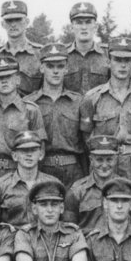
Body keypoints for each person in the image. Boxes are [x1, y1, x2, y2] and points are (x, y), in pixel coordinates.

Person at [82, 39, 131, 184]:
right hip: (102, 160)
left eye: (127, 60)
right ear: (108, 62)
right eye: (117, 59)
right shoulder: (92, 97)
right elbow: (86, 136)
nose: (123, 65)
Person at [28, 44, 86, 187]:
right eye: (50, 66)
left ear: (66, 69)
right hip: (41, 167)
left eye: (60, 66)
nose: (55, 71)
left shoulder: (78, 102)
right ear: (42, 68)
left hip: (72, 169)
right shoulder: (29, 103)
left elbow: (86, 142)